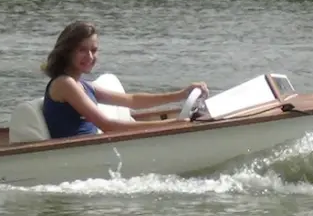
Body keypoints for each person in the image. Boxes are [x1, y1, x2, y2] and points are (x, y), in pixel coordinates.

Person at [40, 21, 209, 139]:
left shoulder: (83, 86)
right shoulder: (64, 84)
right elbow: (107, 125)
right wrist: (173, 124)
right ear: (67, 52)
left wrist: (182, 94)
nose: (90, 56)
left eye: (94, 50)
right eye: (82, 50)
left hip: (93, 149)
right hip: (79, 154)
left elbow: (132, 100)